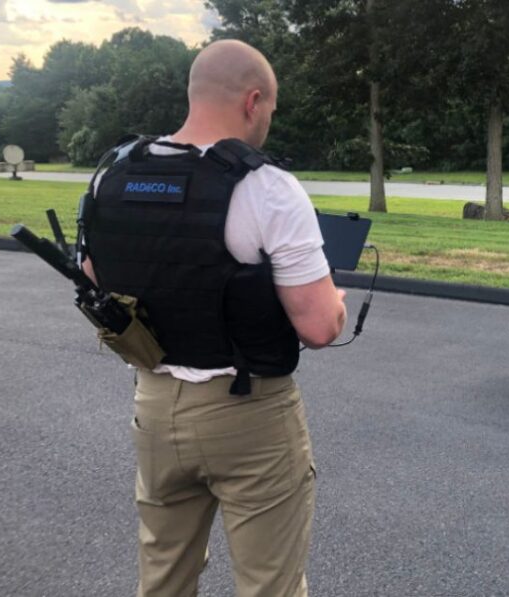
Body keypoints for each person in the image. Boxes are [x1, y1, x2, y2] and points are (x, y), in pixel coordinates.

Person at [80, 39, 346, 597]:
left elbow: (93, 273)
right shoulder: (267, 188)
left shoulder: (113, 176)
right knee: (269, 584)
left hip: (153, 403)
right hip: (249, 411)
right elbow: (320, 328)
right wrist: (336, 299)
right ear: (254, 101)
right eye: (270, 108)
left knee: (163, 576)